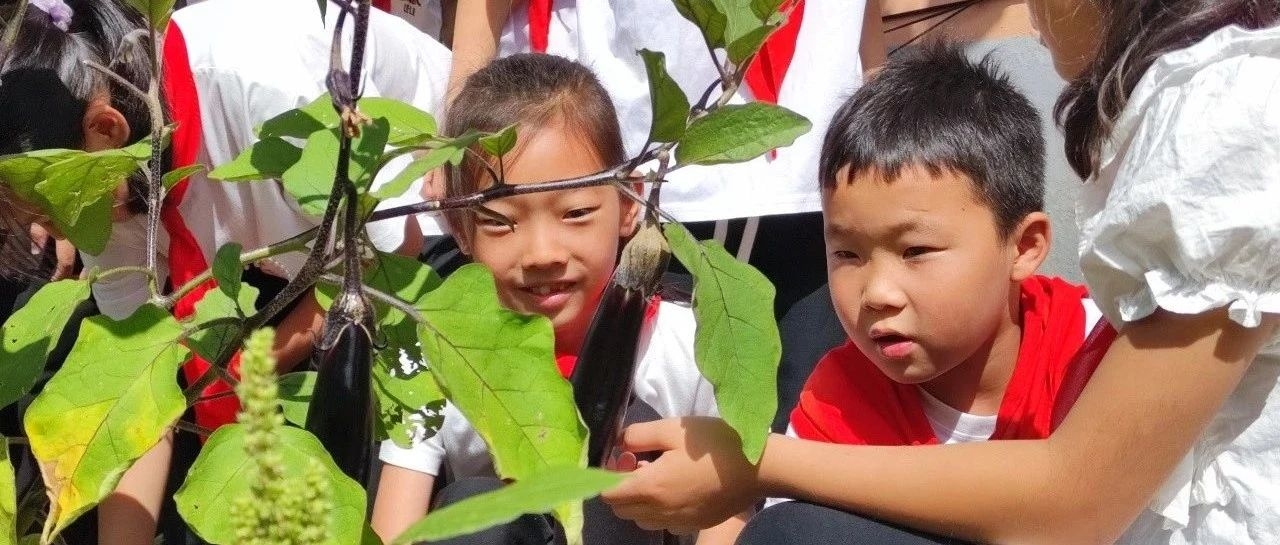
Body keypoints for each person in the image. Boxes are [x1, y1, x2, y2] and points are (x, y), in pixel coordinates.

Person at [599, 2, 1280, 544]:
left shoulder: (1224, 122)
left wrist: (749, 461)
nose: (880, 292)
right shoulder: (839, 393)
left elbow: (1077, 500)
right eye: (847, 254)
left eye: (918, 251)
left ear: (1028, 244)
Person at [1, 0, 451, 542]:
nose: (54, 235)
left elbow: (389, 248)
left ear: (108, 129)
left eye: (50, 211)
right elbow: (143, 387)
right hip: (281, 265)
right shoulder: (104, 179)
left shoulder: (260, 80)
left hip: (423, 233)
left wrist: (256, 365)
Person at [370, 53, 746, 545]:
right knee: (476, 514)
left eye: (575, 213)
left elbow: (728, 513)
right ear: (458, 227)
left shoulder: (693, 347)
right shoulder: (428, 353)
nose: (542, 254)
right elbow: (393, 529)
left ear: (629, 204)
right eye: (501, 221)